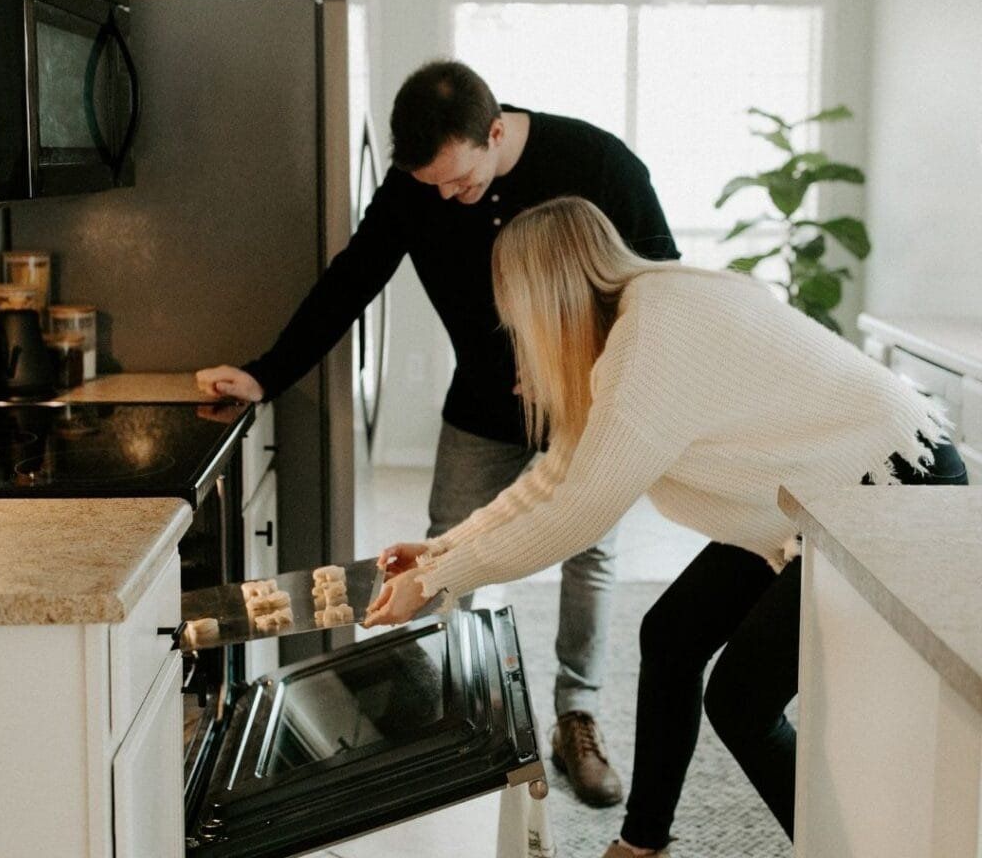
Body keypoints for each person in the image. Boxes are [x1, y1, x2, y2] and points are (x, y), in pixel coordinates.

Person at [363, 196, 968, 857]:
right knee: (672, 634)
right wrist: (443, 548)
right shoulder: (635, 320)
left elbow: (576, 511)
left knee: (740, 702)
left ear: (543, 295)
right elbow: (556, 479)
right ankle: (642, 844)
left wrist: (442, 579)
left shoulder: (651, 340)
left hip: (889, 483)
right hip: (820, 495)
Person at [195, 60, 680, 807]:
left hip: (588, 401)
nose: (450, 198)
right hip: (481, 405)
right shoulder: (419, 185)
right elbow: (352, 280)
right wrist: (266, 373)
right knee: (447, 545)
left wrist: (594, 368)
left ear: (495, 131)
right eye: (435, 188)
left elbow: (660, 283)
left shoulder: (596, 161)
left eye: (461, 181)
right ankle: (457, 710)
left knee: (592, 550)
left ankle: (575, 716)